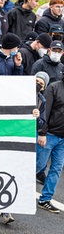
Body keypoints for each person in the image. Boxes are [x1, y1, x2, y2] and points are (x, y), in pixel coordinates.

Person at [37, 68, 64, 214]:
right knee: (37, 165)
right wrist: (42, 133)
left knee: (56, 169)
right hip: (49, 135)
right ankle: (18, 193)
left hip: (62, 140)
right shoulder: (54, 88)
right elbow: (45, 112)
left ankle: (45, 199)